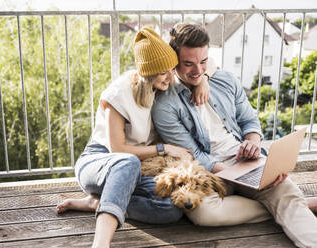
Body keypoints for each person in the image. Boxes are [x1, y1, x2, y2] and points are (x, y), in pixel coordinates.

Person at [151, 23, 317, 248]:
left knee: (283, 189)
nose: (198, 71)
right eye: (188, 64)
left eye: (203, 62)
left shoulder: (224, 80)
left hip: (245, 160)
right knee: (202, 213)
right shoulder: (166, 104)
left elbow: (250, 122)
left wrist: (253, 143)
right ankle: (287, 205)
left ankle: (288, 204)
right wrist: (239, 176)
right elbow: (193, 155)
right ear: (174, 61)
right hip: (210, 171)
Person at [55, 27, 213, 248]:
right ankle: (101, 243)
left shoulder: (162, 86)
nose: (170, 76)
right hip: (101, 161)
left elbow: (200, 64)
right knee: (127, 162)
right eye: (163, 72)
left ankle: (98, 203)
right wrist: (164, 148)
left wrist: (202, 80)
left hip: (139, 167)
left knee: (170, 207)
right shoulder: (119, 94)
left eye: (171, 70)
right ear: (148, 73)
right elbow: (118, 150)